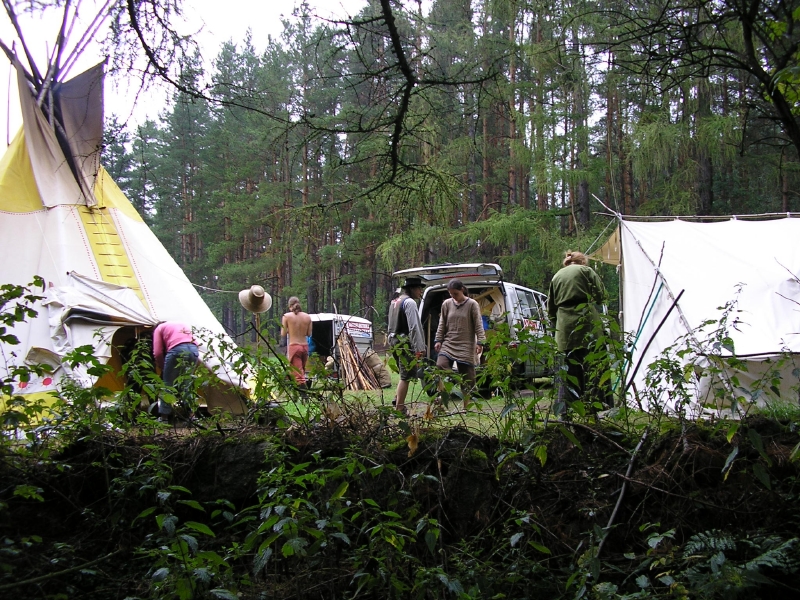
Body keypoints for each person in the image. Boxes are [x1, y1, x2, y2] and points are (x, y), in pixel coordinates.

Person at [547, 251, 610, 411]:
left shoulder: (556, 276)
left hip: (564, 329)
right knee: (595, 367)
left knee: (566, 370)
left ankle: (564, 410)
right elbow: (602, 295)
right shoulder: (586, 271)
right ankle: (597, 407)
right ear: (582, 262)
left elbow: (551, 309)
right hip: (588, 324)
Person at [434, 279, 486, 411]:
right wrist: (438, 340)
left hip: (466, 345)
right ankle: (442, 399)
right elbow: (442, 323)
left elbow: (478, 324)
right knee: (440, 365)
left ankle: (466, 407)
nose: (453, 296)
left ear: (462, 290)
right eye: (451, 294)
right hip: (449, 342)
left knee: (468, 377)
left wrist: (480, 342)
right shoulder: (446, 304)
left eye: (455, 293)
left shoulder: (472, 304)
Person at [387, 277, 427, 415]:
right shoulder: (409, 302)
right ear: (412, 289)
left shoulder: (395, 301)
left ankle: (397, 398)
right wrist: (419, 348)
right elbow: (414, 327)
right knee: (406, 376)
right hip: (404, 342)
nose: (421, 291)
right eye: (419, 288)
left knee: (403, 374)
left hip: (393, 340)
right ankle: (400, 408)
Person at [153, 321, 200, 421]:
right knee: (186, 384)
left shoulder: (159, 328)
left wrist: (162, 367)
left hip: (176, 350)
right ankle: (192, 416)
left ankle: (164, 417)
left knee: (167, 385)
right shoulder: (180, 324)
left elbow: (157, 352)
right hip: (194, 349)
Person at [281, 296, 313, 387]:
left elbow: (283, 334)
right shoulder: (307, 317)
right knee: (301, 369)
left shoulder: (286, 316)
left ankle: (304, 395)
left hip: (294, 346)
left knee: (297, 374)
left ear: (290, 306)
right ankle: (299, 392)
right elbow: (309, 334)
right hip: (305, 346)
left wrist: (290, 330)